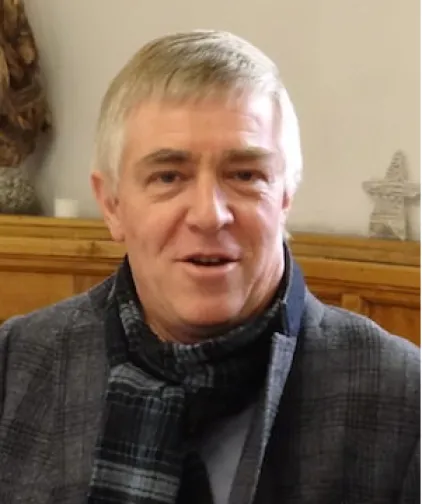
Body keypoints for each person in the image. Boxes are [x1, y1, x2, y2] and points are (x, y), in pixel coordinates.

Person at [0, 30, 419, 504]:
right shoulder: (15, 364)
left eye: (245, 175)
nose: (209, 214)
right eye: (168, 176)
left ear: (284, 198)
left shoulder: (405, 399)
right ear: (112, 205)